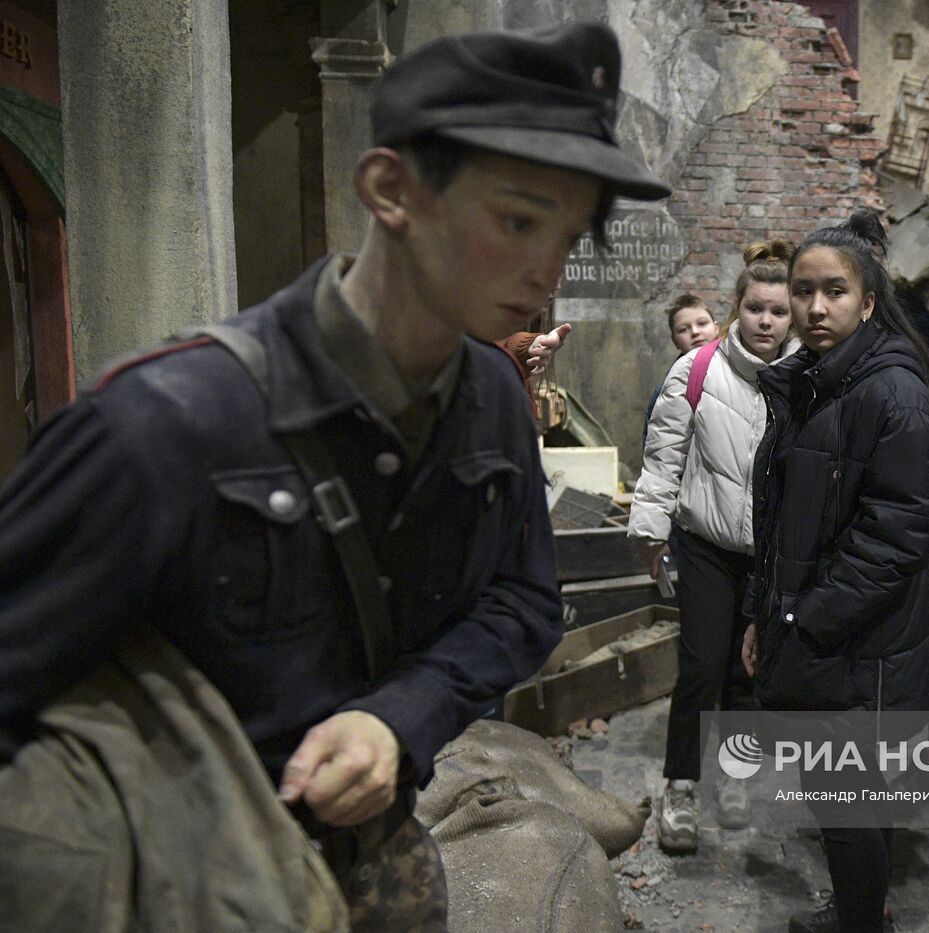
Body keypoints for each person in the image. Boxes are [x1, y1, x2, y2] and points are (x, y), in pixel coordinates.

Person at [0, 22, 670, 928]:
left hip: (378, 862)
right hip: (181, 883)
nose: (546, 269)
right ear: (390, 188)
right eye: (517, 219)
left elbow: (521, 602)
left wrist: (400, 716)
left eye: (570, 234)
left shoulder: (492, 402)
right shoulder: (166, 422)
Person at [741, 210, 929, 933]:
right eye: (803, 290)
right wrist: (759, 612)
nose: (814, 307)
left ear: (867, 300)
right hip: (822, 634)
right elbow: (778, 523)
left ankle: (863, 922)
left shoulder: (889, 390)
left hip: (865, 650)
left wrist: (803, 619)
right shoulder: (812, 383)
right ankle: (862, 912)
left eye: (834, 291)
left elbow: (899, 533)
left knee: (849, 799)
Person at [630, 241, 798, 853]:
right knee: (701, 666)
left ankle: (733, 773)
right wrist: (650, 531)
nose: (766, 322)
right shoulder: (698, 369)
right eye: (755, 308)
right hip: (705, 545)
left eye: (778, 312)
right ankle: (680, 785)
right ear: (737, 308)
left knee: (747, 672)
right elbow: (664, 455)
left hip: (770, 556)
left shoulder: (808, 377)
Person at [643, 295, 721, 440]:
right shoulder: (665, 392)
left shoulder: (741, 375)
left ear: (716, 328)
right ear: (675, 341)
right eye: (683, 329)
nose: (695, 332)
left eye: (702, 323)